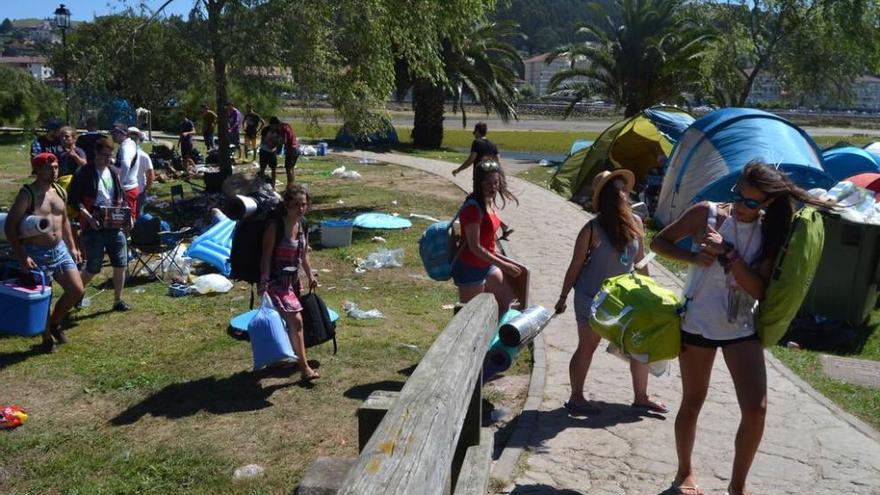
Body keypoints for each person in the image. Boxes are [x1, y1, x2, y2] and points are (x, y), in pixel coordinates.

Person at [650, 161, 832, 495]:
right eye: (739, 196)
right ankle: (684, 473)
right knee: (693, 400)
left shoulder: (771, 232)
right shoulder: (706, 213)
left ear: (767, 204)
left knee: (755, 408)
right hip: (698, 324)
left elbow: (759, 289)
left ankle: (738, 485)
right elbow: (658, 243)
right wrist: (695, 257)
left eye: (751, 202)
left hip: (741, 327)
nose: (740, 206)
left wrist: (729, 253)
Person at [554, 169, 667, 416]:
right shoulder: (591, 230)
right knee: (587, 346)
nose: (625, 194)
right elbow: (574, 267)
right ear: (607, 197)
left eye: (625, 190)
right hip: (592, 299)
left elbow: (640, 262)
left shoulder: (636, 223)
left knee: (640, 343)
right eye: (620, 190)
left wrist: (652, 293)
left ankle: (641, 397)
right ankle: (576, 397)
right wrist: (562, 298)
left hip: (625, 298)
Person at [4, 153, 85, 353]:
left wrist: (72, 246)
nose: (54, 170)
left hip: (59, 250)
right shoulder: (27, 194)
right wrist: (23, 256)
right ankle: (47, 339)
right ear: (38, 170)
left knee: (77, 290)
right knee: (45, 299)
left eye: (56, 167)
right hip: (36, 252)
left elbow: (64, 220)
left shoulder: (59, 190)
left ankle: (55, 324)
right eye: (50, 168)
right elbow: (10, 226)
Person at [258, 185, 320, 381]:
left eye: (303, 205)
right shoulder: (275, 226)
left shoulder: (303, 225)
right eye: (295, 205)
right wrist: (264, 281)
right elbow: (266, 256)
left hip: (292, 281)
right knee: (296, 321)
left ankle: (279, 356)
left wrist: (310, 276)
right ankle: (304, 368)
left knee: (287, 321)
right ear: (286, 205)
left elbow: (304, 254)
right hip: (275, 281)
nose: (300, 209)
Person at [68, 136, 131, 312]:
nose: (108, 159)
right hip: (93, 227)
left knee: (120, 263)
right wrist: (88, 217)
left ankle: (118, 300)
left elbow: (122, 197)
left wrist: (128, 216)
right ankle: (75, 293)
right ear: (95, 153)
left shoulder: (114, 172)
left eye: (110, 155)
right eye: (104, 155)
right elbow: (74, 200)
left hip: (114, 225)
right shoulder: (83, 172)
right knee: (93, 267)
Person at [451, 159, 521, 317]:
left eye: (496, 182)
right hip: (471, 268)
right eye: (488, 183)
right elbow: (474, 246)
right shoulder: (473, 208)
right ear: (479, 183)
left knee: (507, 303)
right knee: (470, 318)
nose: (493, 187)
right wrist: (504, 264)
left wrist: (502, 228)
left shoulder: (487, 201)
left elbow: (488, 233)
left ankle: (492, 339)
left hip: (488, 265)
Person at [109, 126, 140, 223]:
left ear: (123, 134)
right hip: (130, 187)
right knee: (129, 217)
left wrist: (120, 183)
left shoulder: (126, 146)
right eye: (112, 133)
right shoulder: (128, 144)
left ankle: (129, 237)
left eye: (115, 133)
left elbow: (126, 165)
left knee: (126, 220)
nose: (112, 136)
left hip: (127, 189)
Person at [131, 128, 155, 219]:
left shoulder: (143, 155)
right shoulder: (122, 154)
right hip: (125, 191)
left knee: (138, 215)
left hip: (139, 192)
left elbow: (150, 173)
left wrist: (146, 189)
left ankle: (138, 231)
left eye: (134, 138)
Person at [269, 116, 299, 187]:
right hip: (296, 147)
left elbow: (283, 141)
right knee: (291, 168)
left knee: (288, 169)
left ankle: (289, 186)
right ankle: (292, 185)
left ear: (275, 124)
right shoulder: (287, 125)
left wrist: (274, 145)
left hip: (291, 149)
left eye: (273, 126)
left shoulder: (282, 128)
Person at [258, 122, 280, 187]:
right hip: (264, 150)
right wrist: (270, 143)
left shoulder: (278, 131)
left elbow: (279, 141)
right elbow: (263, 140)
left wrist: (274, 144)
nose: (274, 127)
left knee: (274, 169)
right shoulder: (265, 130)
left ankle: (273, 185)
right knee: (262, 168)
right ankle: (261, 185)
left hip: (272, 152)